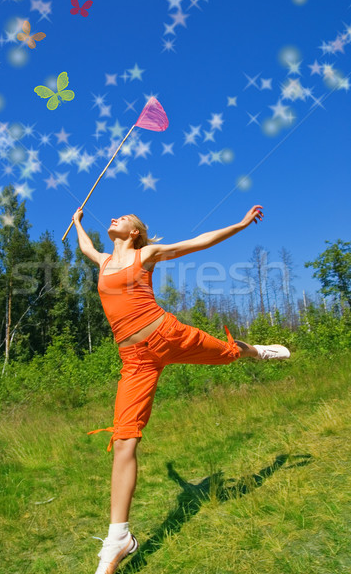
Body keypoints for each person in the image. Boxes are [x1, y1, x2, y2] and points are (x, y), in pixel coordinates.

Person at [72, 205, 290, 574]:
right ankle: (118, 538)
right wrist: (77, 222)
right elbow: (86, 248)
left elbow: (199, 242)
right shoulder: (104, 261)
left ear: (136, 232)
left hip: (166, 334)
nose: (114, 219)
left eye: (122, 218)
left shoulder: (147, 255)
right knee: (124, 438)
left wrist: (239, 224)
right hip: (135, 360)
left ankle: (256, 351)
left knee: (226, 354)